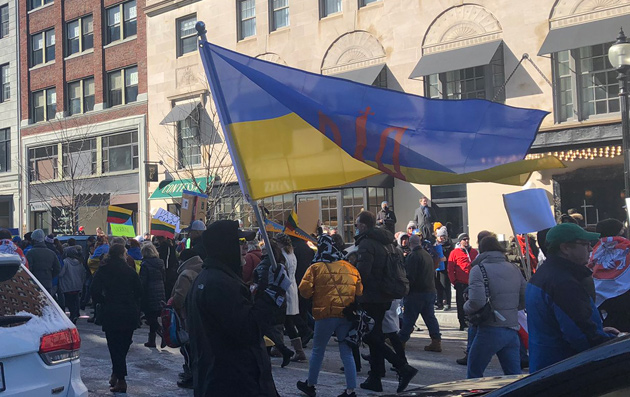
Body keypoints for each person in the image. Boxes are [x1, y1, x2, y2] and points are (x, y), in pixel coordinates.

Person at [186, 220, 282, 396]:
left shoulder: (210, 279)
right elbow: (249, 330)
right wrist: (272, 295)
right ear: (226, 246)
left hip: (221, 380)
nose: (244, 248)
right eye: (240, 242)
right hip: (233, 383)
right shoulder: (220, 284)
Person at [526, 223, 618, 372]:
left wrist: (599, 331)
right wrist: (611, 340)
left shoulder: (545, 274)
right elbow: (580, 336)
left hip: (546, 366)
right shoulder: (563, 283)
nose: (590, 248)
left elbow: (562, 324)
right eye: (584, 244)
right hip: (564, 370)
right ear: (565, 248)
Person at [354, 211, 418, 393]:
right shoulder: (387, 243)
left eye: (358, 224)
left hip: (371, 296)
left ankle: (403, 367)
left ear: (364, 226)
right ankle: (375, 377)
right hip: (385, 295)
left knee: (369, 336)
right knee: (376, 335)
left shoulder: (367, 244)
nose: (356, 228)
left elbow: (363, 273)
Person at [296, 234, 362, 397]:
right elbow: (359, 291)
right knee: (346, 351)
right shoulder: (350, 268)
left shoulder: (316, 267)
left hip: (324, 314)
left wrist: (315, 293)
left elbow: (304, 291)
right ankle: (351, 389)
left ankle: (310, 384)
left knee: (318, 349)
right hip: (346, 314)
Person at [464, 236, 526, 378]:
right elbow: (524, 298)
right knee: (514, 377)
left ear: (481, 249)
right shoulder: (513, 268)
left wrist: (465, 308)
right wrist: (510, 309)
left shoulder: (478, 269)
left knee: (474, 373)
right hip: (512, 329)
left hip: (490, 327)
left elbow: (476, 302)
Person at [91, 243, 142, 393]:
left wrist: (102, 300)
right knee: (124, 345)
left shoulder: (103, 270)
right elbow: (140, 291)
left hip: (111, 311)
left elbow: (94, 290)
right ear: (123, 254)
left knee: (114, 346)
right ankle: (118, 375)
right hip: (129, 311)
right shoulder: (130, 271)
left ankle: (120, 378)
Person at [254, 241, 295, 368]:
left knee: (262, 329)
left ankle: (269, 355)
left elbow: (261, 282)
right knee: (268, 329)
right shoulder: (279, 264)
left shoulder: (267, 264)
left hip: (265, 300)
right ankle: (282, 350)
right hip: (276, 300)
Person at [399, 235, 442, 352]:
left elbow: (410, 276)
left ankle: (400, 340)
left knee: (409, 317)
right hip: (430, 290)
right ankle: (436, 340)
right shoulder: (427, 255)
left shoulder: (413, 256)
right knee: (430, 317)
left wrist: (404, 288)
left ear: (409, 243)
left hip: (416, 292)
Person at [275, 233, 313, 362]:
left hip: (285, 289)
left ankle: (295, 350)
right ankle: (279, 347)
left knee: (286, 322)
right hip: (292, 287)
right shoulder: (292, 255)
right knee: (286, 321)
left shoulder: (282, 256)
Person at [169, 249, 203, 388]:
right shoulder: (203, 270)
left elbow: (179, 298)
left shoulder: (186, 274)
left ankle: (191, 377)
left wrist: (172, 303)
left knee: (188, 349)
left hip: (186, 316)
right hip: (200, 315)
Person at [588, 218, 630, 332]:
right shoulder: (627, 248)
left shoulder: (591, 252)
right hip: (625, 302)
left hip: (601, 304)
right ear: (621, 232)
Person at [448, 233, 478, 331]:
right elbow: (450, 269)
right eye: (464, 239)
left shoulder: (474, 252)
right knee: (461, 303)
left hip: (473, 282)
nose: (466, 241)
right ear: (460, 241)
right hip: (461, 283)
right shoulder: (454, 253)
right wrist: (454, 281)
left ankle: (472, 321)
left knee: (473, 302)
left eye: (467, 239)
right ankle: (462, 322)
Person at [139, 243, 166, 348]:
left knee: (150, 317)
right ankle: (152, 340)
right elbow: (164, 277)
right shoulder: (160, 263)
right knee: (154, 316)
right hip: (160, 289)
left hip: (149, 292)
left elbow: (143, 281)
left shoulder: (145, 264)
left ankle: (162, 333)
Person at [26, 229, 61, 294]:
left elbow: (28, 269)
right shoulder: (51, 253)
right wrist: (49, 276)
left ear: (33, 240)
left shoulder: (30, 253)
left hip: (34, 284)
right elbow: (58, 268)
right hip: (47, 283)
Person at [59, 245, 86, 324]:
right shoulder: (79, 262)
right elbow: (83, 273)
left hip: (67, 285)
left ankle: (72, 314)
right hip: (77, 285)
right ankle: (75, 314)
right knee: (75, 299)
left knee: (69, 301)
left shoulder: (65, 262)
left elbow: (61, 274)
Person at [435, 226, 452, 310]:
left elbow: (452, 257)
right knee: (438, 285)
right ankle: (439, 302)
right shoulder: (434, 246)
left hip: (445, 269)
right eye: (439, 236)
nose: (441, 238)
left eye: (443, 236)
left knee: (445, 285)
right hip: (436, 268)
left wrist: (446, 258)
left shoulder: (449, 246)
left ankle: (447, 302)